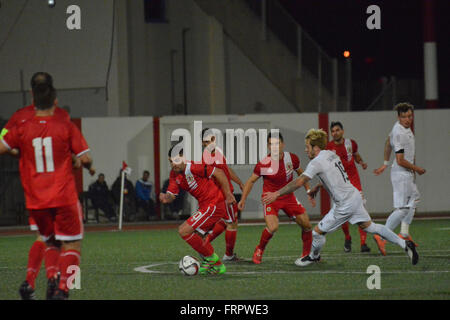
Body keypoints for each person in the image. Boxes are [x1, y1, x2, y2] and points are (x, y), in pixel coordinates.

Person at [0, 72, 96, 299]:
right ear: (54, 96)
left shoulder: (20, 121)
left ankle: (42, 281)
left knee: (47, 240)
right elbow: (83, 157)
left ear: (32, 93)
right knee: (72, 244)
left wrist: (22, 153)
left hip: (35, 197)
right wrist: (80, 162)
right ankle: (63, 288)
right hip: (62, 194)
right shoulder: (63, 120)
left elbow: (3, 143)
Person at [261, 129, 418, 267]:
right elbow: (335, 176)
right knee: (371, 227)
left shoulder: (316, 162)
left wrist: (276, 194)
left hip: (345, 204)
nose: (305, 150)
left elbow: (299, 181)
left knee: (316, 232)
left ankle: (313, 257)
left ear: (315, 147)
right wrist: (317, 187)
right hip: (354, 196)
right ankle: (404, 243)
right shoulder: (331, 154)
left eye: (307, 147)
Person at [238, 132, 314, 265]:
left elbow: (302, 175)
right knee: (273, 227)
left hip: (288, 197)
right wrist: (243, 199)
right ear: (268, 146)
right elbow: (250, 181)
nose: (274, 147)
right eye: (271, 144)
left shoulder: (292, 159)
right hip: (270, 198)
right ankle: (259, 249)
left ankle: (306, 254)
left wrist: (308, 191)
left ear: (282, 144)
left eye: (277, 143)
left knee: (307, 225)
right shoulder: (264, 164)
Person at [159, 145, 236, 275]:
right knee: (199, 238)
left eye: (176, 160)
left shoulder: (194, 167)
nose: (173, 164)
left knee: (184, 231)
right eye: (170, 161)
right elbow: (172, 194)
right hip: (206, 206)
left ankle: (212, 260)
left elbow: (219, 173)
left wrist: (228, 194)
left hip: (214, 203)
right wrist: (166, 197)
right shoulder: (174, 174)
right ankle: (216, 266)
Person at [373, 102, 425, 255]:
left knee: (415, 198)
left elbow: (387, 143)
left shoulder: (400, 128)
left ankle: (403, 233)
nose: (407, 119)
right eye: (404, 117)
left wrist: (384, 163)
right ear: (398, 117)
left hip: (405, 172)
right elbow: (401, 160)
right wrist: (418, 169)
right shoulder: (400, 132)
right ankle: (381, 234)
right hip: (401, 174)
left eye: (409, 116)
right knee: (402, 209)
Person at [327, 121, 371, 253]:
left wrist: (361, 162)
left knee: (361, 209)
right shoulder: (329, 147)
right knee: (342, 213)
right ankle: (347, 237)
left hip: (354, 182)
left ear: (342, 131)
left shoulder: (351, 143)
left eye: (337, 130)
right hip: (339, 184)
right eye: (333, 131)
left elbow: (356, 155)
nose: (335, 133)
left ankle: (363, 243)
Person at [201, 128, 244, 261]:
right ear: (203, 143)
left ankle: (204, 244)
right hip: (223, 195)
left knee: (226, 221)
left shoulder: (218, 152)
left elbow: (227, 169)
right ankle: (228, 255)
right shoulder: (207, 158)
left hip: (226, 192)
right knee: (232, 223)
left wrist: (239, 182)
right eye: (208, 140)